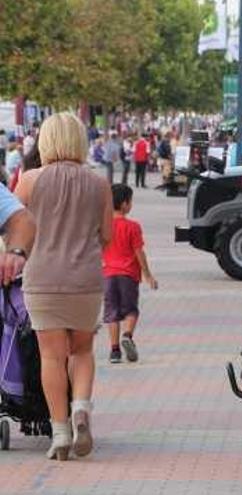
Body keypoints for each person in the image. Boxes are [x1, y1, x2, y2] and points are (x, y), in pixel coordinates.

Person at [15, 112, 113, 461]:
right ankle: (81, 408)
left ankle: (59, 433)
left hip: (41, 279)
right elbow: (108, 236)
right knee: (82, 351)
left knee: (52, 356)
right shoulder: (99, 184)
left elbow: (13, 230)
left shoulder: (28, 180)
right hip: (85, 279)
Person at [103, 184, 157, 364]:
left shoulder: (104, 227)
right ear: (125, 204)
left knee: (111, 313)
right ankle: (127, 335)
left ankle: (114, 350)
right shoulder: (133, 227)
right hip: (128, 275)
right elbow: (138, 252)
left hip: (108, 275)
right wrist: (148, 274)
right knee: (131, 310)